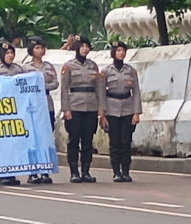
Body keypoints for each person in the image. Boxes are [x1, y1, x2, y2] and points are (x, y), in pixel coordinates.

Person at [60, 35, 104, 183]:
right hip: (74, 106)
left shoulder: (93, 66)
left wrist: (101, 108)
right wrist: (66, 109)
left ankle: (86, 171)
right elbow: (64, 89)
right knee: (74, 140)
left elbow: (99, 88)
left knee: (88, 140)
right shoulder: (69, 66)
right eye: (82, 46)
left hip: (91, 106)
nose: (85, 49)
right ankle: (74, 171)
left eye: (87, 46)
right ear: (77, 48)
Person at [100, 40, 142, 182]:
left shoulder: (130, 71)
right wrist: (102, 114)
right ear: (113, 53)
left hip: (127, 108)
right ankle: (116, 172)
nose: (121, 53)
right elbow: (101, 93)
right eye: (118, 50)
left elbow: (136, 92)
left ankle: (126, 171)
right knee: (115, 142)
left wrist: (136, 113)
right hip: (111, 109)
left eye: (123, 50)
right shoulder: (106, 71)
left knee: (126, 141)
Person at [22, 36, 59, 184]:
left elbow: (55, 83)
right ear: (31, 50)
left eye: (42, 47)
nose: (40, 50)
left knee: (46, 138)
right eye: (37, 48)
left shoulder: (48, 66)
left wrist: (41, 86)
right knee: (32, 139)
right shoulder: (25, 68)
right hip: (32, 105)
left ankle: (45, 170)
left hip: (46, 102)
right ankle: (33, 172)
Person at [0, 41, 24, 186]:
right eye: (7, 53)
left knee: (13, 143)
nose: (10, 56)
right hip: (1, 111)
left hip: (16, 110)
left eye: (12, 53)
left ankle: (12, 173)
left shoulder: (19, 69)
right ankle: (3, 173)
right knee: (2, 144)